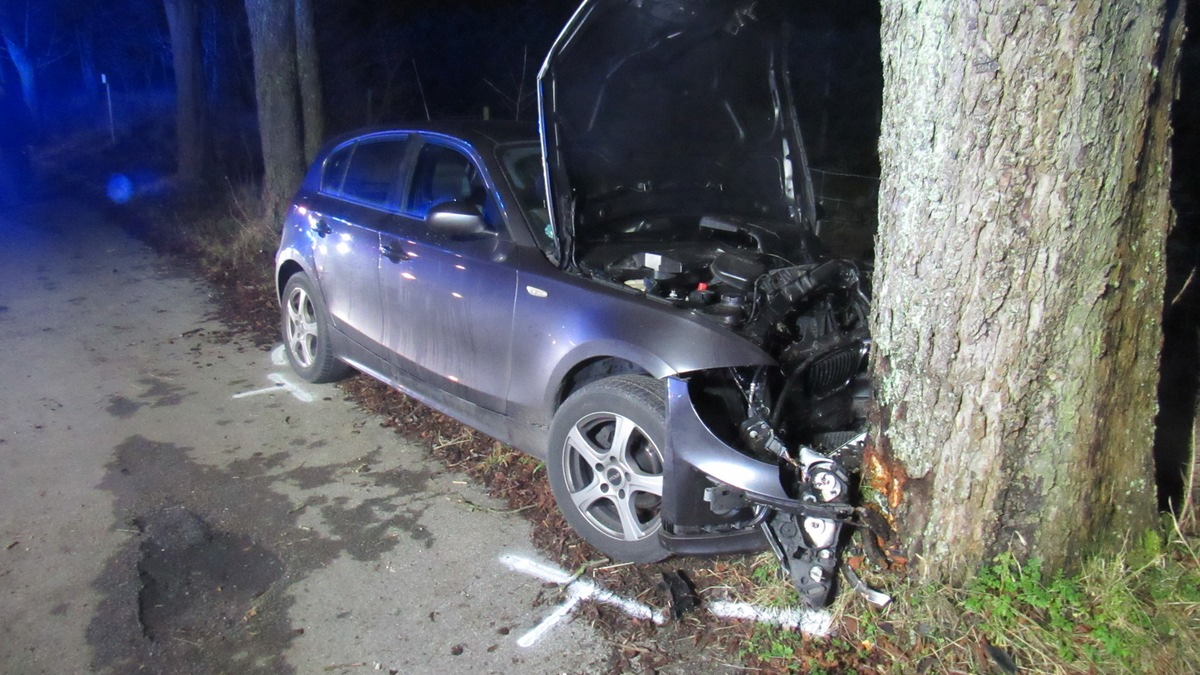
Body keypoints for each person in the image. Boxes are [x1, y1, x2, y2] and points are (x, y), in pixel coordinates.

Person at [0, 83, 34, 205]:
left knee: (22, 165)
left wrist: (29, 140)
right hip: (6, 143)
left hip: (18, 141)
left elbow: (25, 121)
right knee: (10, 168)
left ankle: (26, 192)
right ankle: (15, 196)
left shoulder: (14, 103)